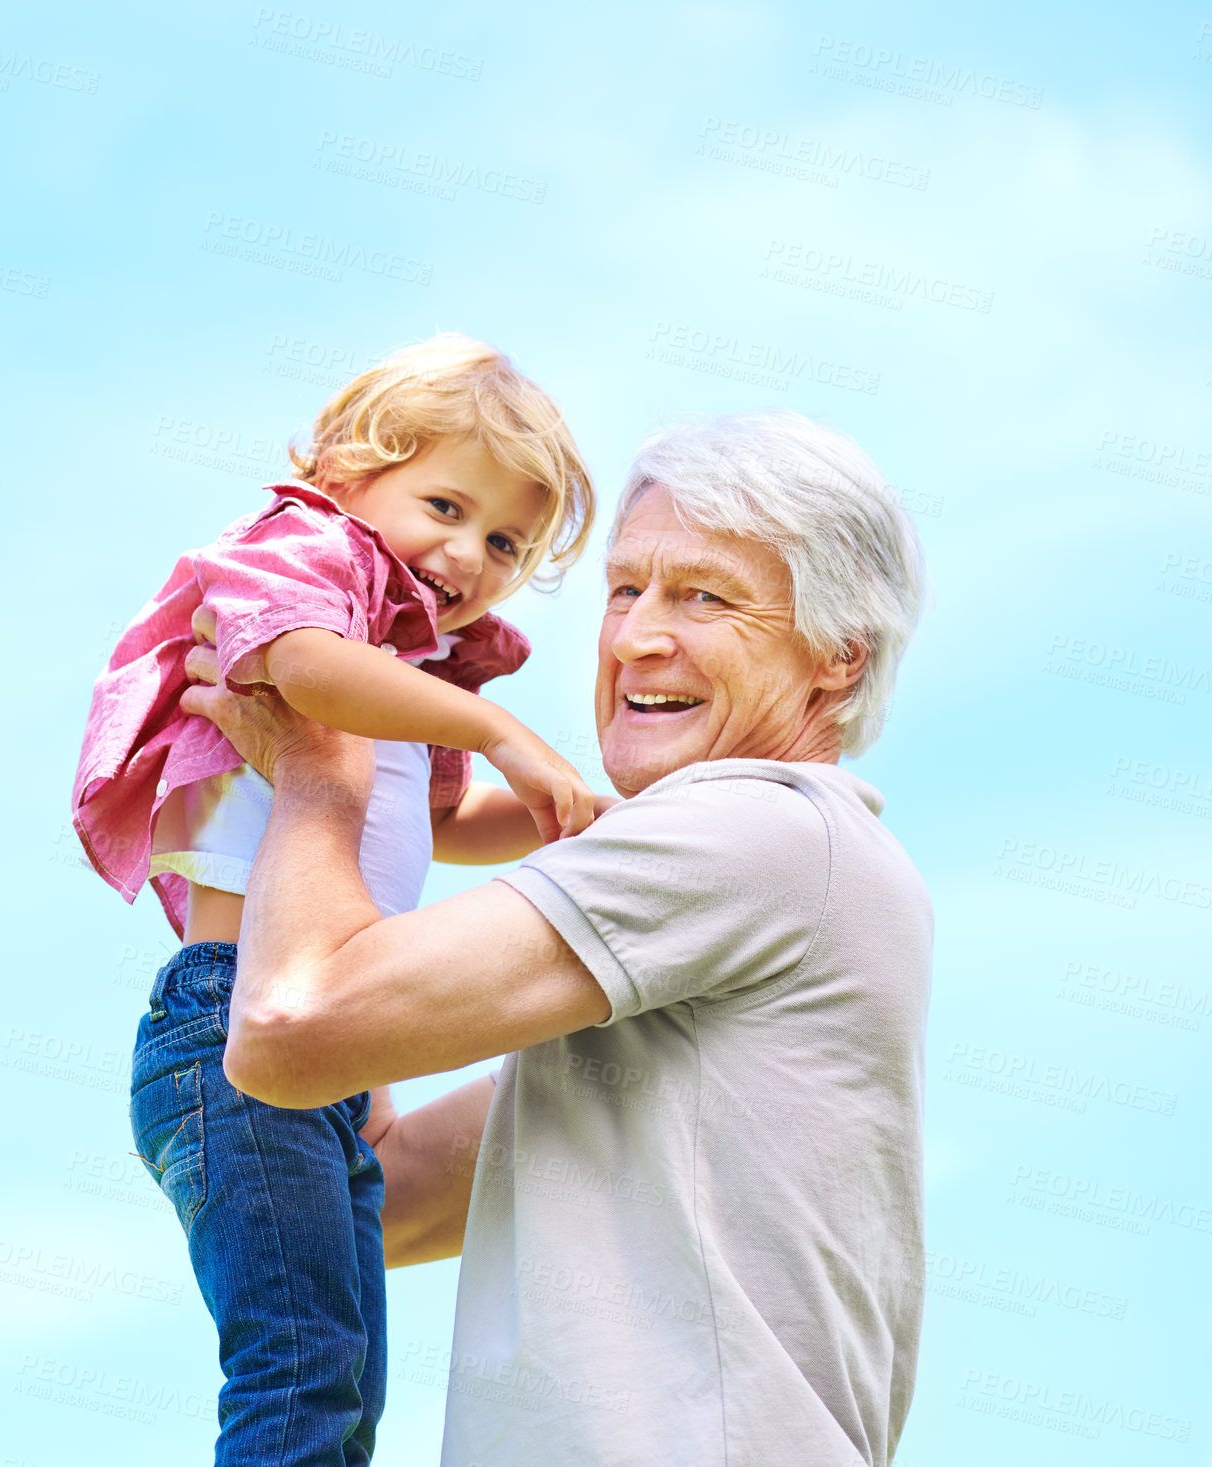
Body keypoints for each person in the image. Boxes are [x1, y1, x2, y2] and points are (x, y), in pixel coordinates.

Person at [181, 408, 934, 1467]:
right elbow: (378, 1195)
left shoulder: (753, 825)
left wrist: (320, 772)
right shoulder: (723, 919)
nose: (634, 637)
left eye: (703, 596)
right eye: (625, 588)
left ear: (836, 661)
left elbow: (288, 1029)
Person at [70, 334, 599, 1465]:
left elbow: (445, 825)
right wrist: (506, 730)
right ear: (346, 473)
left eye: (504, 540)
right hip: (228, 1030)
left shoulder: (412, 665)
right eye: (444, 505)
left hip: (330, 1063)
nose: (468, 553)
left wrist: (602, 822)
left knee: (346, 1382)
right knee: (299, 1365)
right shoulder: (302, 557)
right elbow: (298, 665)